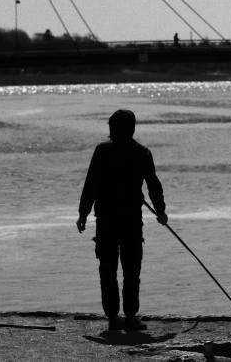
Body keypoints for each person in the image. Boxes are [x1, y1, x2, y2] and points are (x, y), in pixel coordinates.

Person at [76, 109, 168, 331]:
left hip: (107, 221)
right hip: (130, 222)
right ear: (132, 128)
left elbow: (91, 185)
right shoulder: (142, 153)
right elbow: (153, 185)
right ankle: (130, 316)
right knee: (131, 270)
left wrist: (83, 214)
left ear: (114, 128)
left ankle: (114, 318)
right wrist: (161, 212)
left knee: (108, 270)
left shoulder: (102, 151)